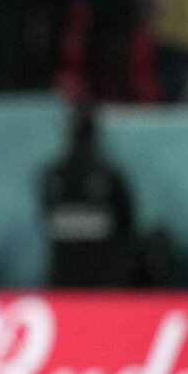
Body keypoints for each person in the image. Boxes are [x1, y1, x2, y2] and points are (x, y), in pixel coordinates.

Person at [40, 106, 136, 287]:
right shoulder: (108, 174)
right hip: (98, 276)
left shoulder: (52, 175)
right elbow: (127, 219)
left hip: (70, 274)